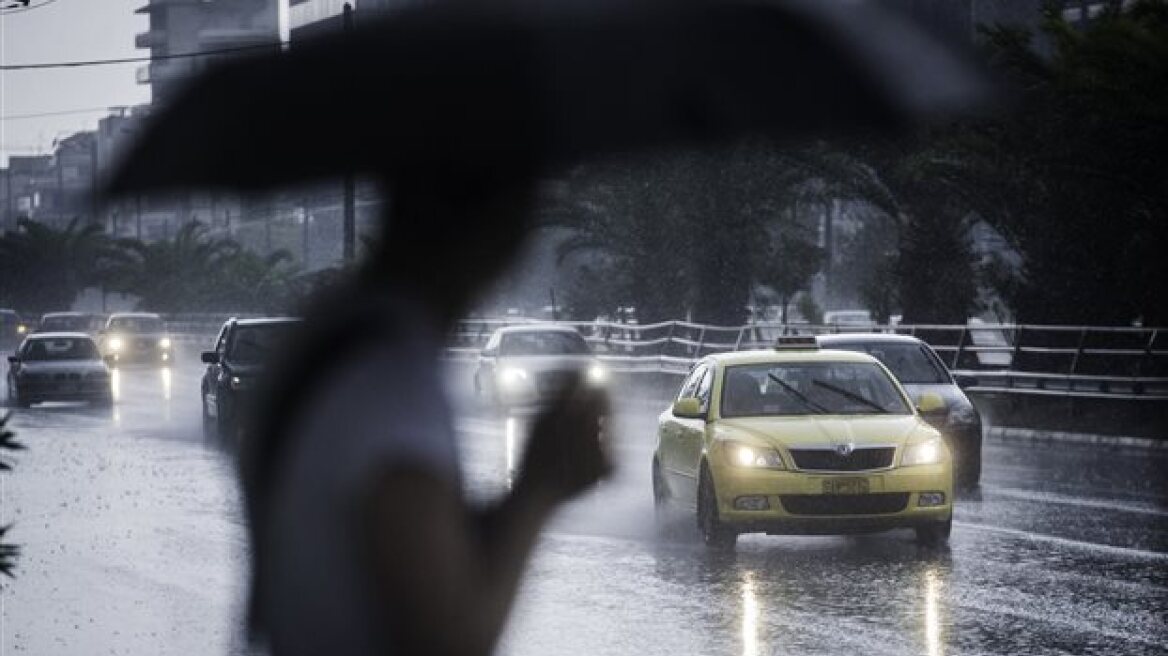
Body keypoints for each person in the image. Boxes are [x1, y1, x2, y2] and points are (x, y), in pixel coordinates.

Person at [240, 175, 611, 656]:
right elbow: (447, 638)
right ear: (496, 228)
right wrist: (539, 487)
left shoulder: (325, 337)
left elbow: (411, 552)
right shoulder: (392, 379)